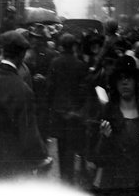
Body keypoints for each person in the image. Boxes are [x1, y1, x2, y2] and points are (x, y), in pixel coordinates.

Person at [0, 30, 50, 178]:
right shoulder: (23, 89)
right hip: (11, 162)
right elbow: (29, 133)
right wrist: (41, 156)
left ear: (3, 52)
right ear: (21, 56)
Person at [90, 56, 139, 194]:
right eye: (120, 78)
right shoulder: (107, 112)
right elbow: (97, 158)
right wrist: (104, 138)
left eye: (128, 78)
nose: (124, 82)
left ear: (136, 81)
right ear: (115, 83)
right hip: (116, 183)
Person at [47, 32, 88, 184]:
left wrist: (52, 105)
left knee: (62, 145)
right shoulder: (80, 65)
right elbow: (84, 90)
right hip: (74, 113)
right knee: (72, 146)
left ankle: (64, 176)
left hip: (58, 111)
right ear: (73, 46)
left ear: (61, 46)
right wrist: (79, 106)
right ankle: (69, 179)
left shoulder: (54, 63)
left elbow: (50, 87)